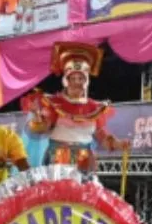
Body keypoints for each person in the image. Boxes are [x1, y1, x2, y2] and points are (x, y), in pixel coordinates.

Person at [21, 42, 129, 173]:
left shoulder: (95, 107)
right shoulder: (55, 104)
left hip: (84, 160)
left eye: (81, 78)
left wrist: (118, 144)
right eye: (73, 78)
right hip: (58, 157)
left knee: (83, 192)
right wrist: (37, 116)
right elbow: (42, 128)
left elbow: (101, 136)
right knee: (60, 192)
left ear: (86, 81)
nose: (77, 83)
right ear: (66, 81)